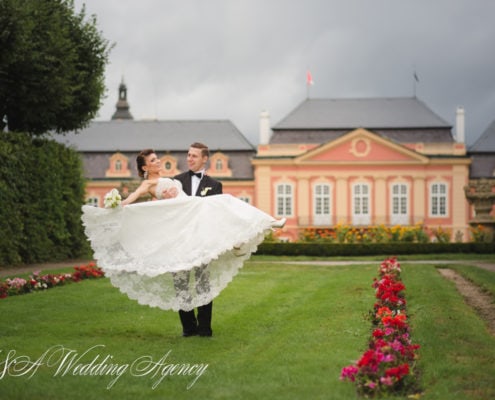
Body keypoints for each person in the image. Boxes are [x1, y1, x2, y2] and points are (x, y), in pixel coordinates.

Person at [81, 145, 285, 337]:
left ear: (204, 159)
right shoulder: (150, 182)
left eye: (157, 158)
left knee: (226, 204)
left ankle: (264, 224)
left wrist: (168, 198)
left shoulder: (187, 180)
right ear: (145, 167)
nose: (159, 161)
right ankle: (189, 328)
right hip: (180, 231)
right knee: (181, 282)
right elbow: (137, 200)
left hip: (195, 222)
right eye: (153, 160)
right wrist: (116, 206)